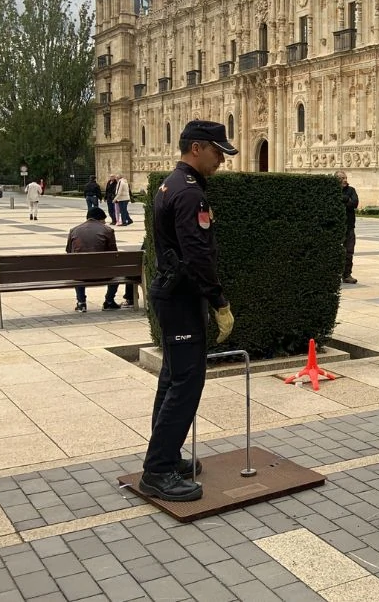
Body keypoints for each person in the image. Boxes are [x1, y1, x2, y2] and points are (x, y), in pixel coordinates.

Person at [141, 120, 239, 502]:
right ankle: (158, 470)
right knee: (187, 382)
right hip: (182, 297)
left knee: (172, 377)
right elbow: (197, 255)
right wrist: (219, 302)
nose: (221, 161)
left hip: (173, 293)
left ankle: (164, 456)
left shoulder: (172, 183)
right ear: (197, 148)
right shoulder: (190, 193)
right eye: (217, 153)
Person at [66, 207, 134, 311]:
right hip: (104, 274)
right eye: (104, 220)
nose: (105, 223)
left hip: (80, 275)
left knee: (78, 267)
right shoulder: (107, 230)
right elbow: (114, 254)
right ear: (99, 219)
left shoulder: (74, 230)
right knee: (117, 268)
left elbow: (69, 252)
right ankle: (109, 301)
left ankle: (81, 302)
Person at [337, 171, 359, 284]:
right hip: (337, 226)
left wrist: (343, 199)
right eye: (342, 178)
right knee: (336, 250)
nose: (345, 180)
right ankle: (336, 273)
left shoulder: (351, 190)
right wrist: (347, 200)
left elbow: (355, 203)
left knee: (349, 251)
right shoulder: (333, 190)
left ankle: (347, 274)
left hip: (349, 226)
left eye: (345, 177)